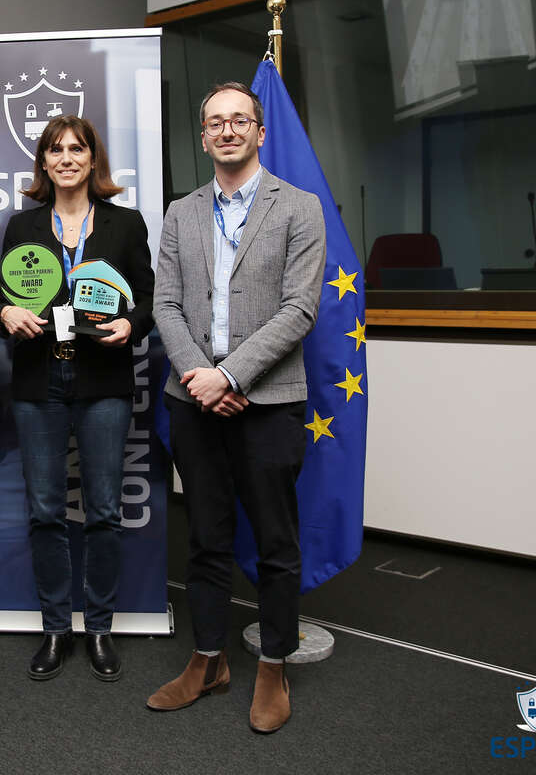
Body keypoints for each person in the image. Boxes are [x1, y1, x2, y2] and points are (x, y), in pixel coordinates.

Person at [147, 83, 326, 732]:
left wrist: (228, 376)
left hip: (268, 401)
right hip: (194, 400)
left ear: (259, 131)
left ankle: (274, 664)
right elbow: (165, 303)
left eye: (239, 120)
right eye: (215, 122)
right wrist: (201, 378)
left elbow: (300, 309)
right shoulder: (181, 211)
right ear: (203, 137)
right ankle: (208, 659)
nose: (227, 130)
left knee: (276, 541)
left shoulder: (300, 207)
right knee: (205, 539)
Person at [0, 116, 154, 682]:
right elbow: (1, 299)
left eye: (76, 149)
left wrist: (131, 325)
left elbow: (148, 300)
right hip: (38, 380)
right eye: (56, 150)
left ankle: (100, 628)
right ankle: (56, 628)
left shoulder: (125, 223)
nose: (66, 158)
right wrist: (6, 314)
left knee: (104, 511)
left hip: (102, 380)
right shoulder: (22, 225)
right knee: (45, 512)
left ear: (92, 160)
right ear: (43, 161)